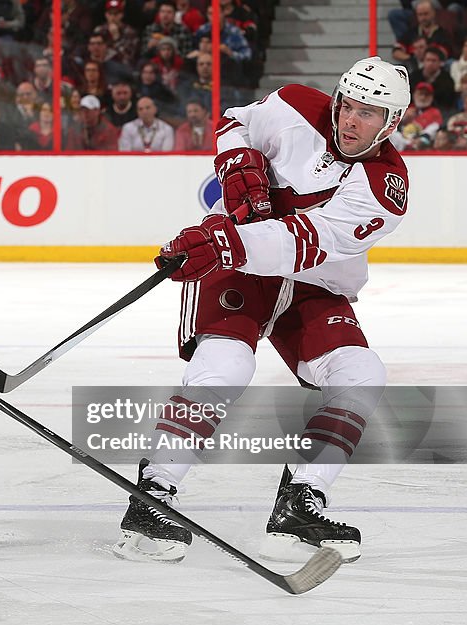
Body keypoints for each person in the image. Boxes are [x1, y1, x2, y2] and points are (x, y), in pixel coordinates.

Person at [114, 57, 410, 565]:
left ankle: (301, 500)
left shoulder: (386, 184)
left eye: (368, 113)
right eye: (348, 105)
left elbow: (308, 242)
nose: (350, 120)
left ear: (392, 123)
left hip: (308, 280)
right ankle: (154, 492)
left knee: (361, 373)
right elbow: (236, 121)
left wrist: (224, 243)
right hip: (239, 272)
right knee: (227, 367)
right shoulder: (296, 103)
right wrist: (238, 164)